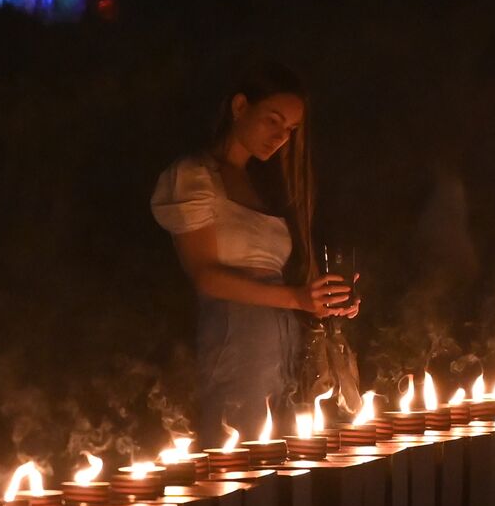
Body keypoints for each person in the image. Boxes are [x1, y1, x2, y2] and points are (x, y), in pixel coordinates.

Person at [151, 61, 358, 448]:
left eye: (290, 130)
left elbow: (280, 277)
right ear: (240, 106)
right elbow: (206, 275)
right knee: (241, 455)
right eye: (272, 121)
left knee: (281, 455)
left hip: (280, 340)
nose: (280, 137)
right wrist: (294, 297)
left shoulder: (261, 184)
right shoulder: (194, 176)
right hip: (236, 340)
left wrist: (322, 302)